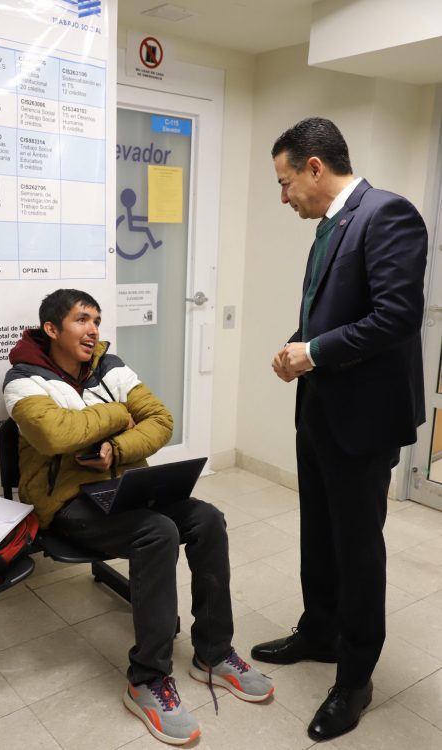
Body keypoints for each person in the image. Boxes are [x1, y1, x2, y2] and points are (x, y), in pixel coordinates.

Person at [3, 288, 273, 746]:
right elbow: (54, 435)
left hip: (125, 488)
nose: (93, 330)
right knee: (157, 532)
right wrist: (117, 414)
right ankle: (147, 679)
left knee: (207, 519)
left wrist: (116, 448)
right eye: (81, 320)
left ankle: (213, 653)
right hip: (66, 503)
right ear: (51, 329)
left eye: (96, 320)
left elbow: (161, 420)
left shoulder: (111, 366)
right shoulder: (22, 379)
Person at [251, 118, 427, 742]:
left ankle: (355, 676)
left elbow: (397, 317)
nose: (283, 197)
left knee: (356, 546)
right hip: (321, 409)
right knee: (319, 531)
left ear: (315, 167)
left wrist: (315, 352)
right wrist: (297, 346)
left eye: (285, 182)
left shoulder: (388, 215)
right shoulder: (330, 226)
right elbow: (328, 314)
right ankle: (319, 631)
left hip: (363, 418)